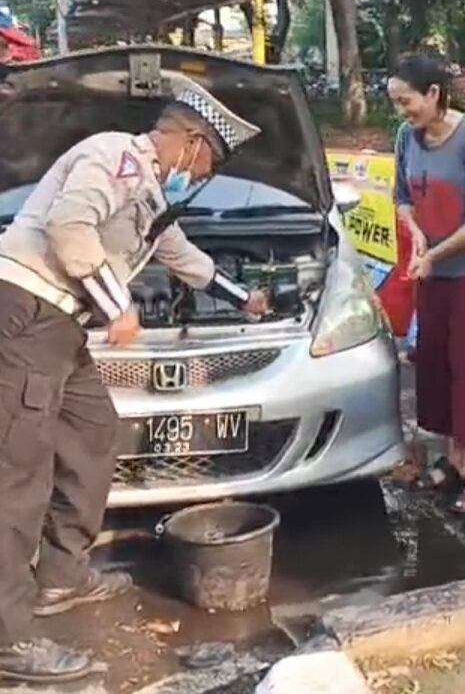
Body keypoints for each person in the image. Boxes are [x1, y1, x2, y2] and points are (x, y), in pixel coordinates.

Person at [0, 75, 269, 683]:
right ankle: (8, 639)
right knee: (17, 479)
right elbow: (70, 230)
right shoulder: (115, 154)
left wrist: (242, 297)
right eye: (207, 165)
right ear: (191, 141)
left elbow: (181, 257)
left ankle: (63, 579)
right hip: (24, 317)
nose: (201, 178)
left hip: (59, 331)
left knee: (96, 434)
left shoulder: (148, 193)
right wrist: (117, 305)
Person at [389, 54, 465, 516]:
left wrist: (432, 256)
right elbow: (402, 196)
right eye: (397, 103)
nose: (403, 111)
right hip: (432, 271)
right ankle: (455, 459)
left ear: (434, 94)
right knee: (436, 363)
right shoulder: (406, 137)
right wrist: (417, 235)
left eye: (408, 101)